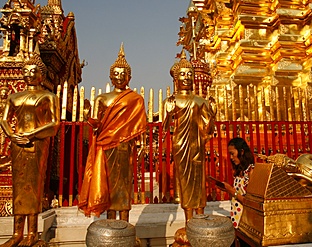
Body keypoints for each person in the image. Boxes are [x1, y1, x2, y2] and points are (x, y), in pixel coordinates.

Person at [78, 43, 147, 222]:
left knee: (122, 185)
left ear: (129, 77)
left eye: (123, 73)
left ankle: (124, 222)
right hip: (104, 145)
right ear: (110, 76)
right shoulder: (102, 99)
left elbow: (138, 127)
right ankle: (109, 222)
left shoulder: (135, 99)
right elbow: (97, 126)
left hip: (124, 146)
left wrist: (140, 146)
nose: (119, 76)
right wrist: (87, 116)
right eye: (115, 73)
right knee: (105, 184)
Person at [0, 50, 60, 247]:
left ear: (42, 74)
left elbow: (54, 124)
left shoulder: (48, 96)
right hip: (18, 144)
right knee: (19, 187)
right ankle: (17, 232)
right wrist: (11, 134)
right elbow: (4, 119)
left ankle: (32, 233)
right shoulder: (15, 97)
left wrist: (33, 134)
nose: (30, 74)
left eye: (34, 71)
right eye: (27, 70)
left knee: (34, 187)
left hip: (37, 143)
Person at [162, 49, 216, 223]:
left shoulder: (201, 101)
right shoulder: (172, 100)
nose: (186, 77)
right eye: (182, 74)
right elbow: (165, 128)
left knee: (198, 182)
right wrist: (169, 113)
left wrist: (212, 115)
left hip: (197, 146)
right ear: (176, 79)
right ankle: (188, 220)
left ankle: (200, 216)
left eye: (189, 74)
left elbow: (209, 128)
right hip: (180, 145)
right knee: (185, 182)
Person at [216, 137, 255, 229]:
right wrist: (227, 189)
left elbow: (249, 202)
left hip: (246, 223)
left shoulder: (251, 172)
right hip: (236, 219)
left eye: (232, 154)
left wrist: (231, 190)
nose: (231, 158)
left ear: (241, 152)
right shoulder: (239, 172)